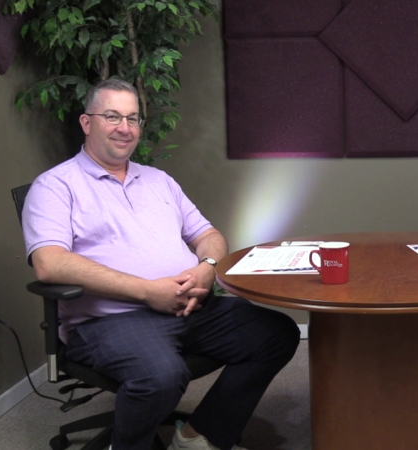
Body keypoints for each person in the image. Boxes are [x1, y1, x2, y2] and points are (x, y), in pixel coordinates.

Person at [22, 79, 300, 450]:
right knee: (160, 377)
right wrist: (148, 292)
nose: (125, 128)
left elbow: (208, 234)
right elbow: (49, 263)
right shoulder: (55, 186)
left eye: (133, 118)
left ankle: (199, 436)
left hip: (189, 306)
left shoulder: (159, 181)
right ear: (86, 123)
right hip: (111, 320)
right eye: (112, 116)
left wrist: (207, 267)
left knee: (276, 333)